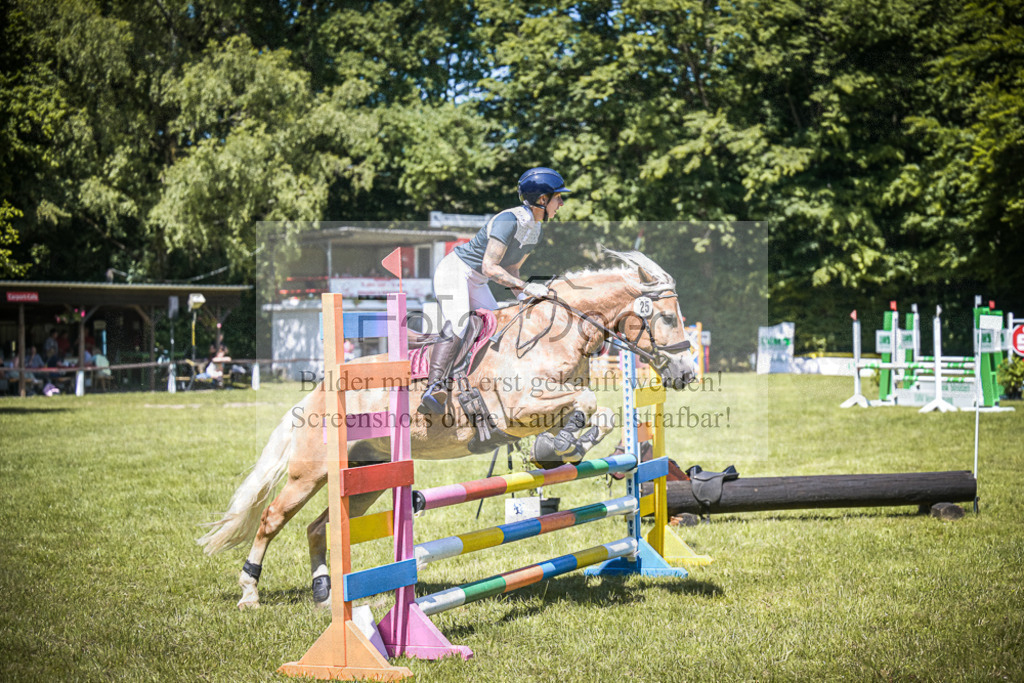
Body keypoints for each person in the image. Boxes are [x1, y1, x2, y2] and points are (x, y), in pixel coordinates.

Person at [419, 167, 570, 414]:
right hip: (455, 270)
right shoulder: (508, 220)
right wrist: (526, 287)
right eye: (558, 198)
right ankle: (433, 386)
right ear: (542, 200)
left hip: (477, 280)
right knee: (459, 322)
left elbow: (511, 269)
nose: (561, 203)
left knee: (498, 329)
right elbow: (490, 267)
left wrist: (524, 297)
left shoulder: (536, 229)